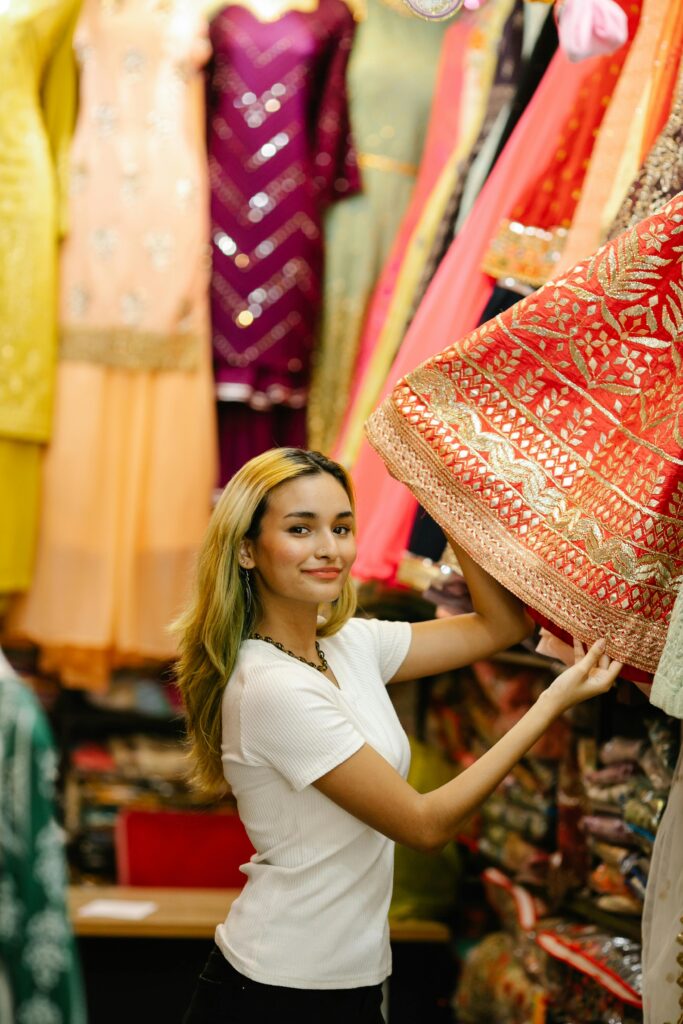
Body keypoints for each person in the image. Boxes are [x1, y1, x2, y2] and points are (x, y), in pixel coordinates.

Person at [176, 447, 621, 1024]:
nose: (328, 548)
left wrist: (442, 496)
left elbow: (501, 626)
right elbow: (424, 825)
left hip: (349, 979)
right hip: (276, 990)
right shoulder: (271, 688)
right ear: (245, 550)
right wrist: (548, 705)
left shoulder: (349, 645)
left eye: (341, 527)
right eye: (299, 528)